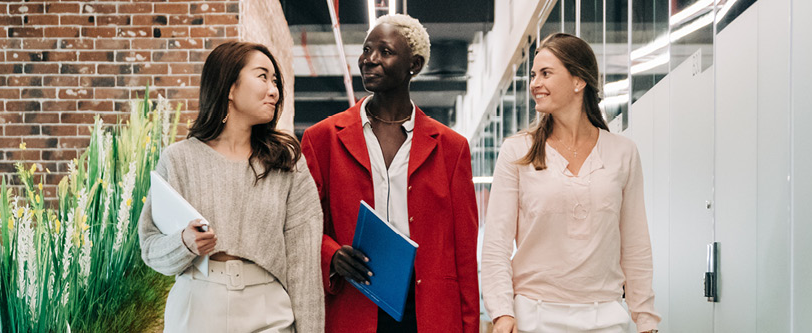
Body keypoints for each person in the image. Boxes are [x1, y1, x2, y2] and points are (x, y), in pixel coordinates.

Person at [300, 13, 480, 333]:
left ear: (415, 64)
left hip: (428, 307)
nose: (369, 59)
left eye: (385, 52)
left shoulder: (452, 148)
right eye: (366, 50)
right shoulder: (321, 138)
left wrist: (469, 325)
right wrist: (330, 254)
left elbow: (464, 252)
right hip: (355, 300)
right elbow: (301, 225)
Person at [479, 33, 660, 333]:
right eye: (533, 74)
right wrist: (501, 312)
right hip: (533, 318)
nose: (534, 83)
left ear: (578, 81)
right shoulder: (517, 151)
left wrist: (645, 319)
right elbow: (496, 243)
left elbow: (635, 243)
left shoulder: (623, 152)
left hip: (605, 318)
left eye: (546, 74)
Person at [138, 41, 324, 333]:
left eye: (275, 81)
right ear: (229, 88)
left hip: (269, 311)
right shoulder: (179, 159)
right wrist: (184, 243)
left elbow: (305, 270)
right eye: (263, 77)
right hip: (196, 308)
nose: (274, 90)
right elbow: (150, 248)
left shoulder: (288, 164)